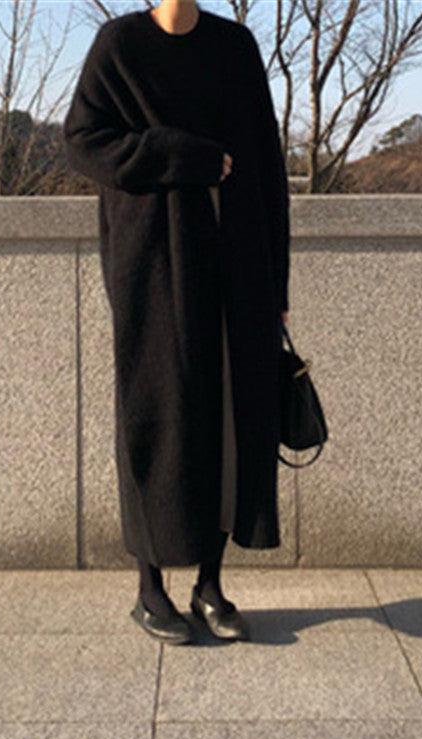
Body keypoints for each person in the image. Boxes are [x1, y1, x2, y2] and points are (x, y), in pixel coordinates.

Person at [63, 0, 290, 645]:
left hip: (238, 267)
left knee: (229, 418)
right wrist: (177, 155)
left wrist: (277, 280)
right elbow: (82, 141)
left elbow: (268, 167)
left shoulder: (235, 47)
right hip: (153, 267)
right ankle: (149, 589)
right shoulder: (119, 45)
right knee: (156, 413)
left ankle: (210, 585)